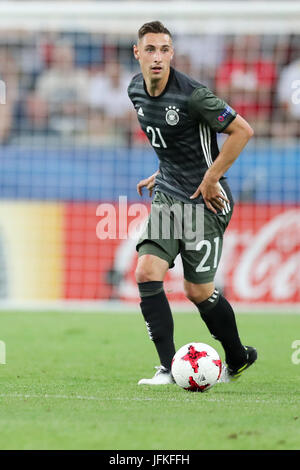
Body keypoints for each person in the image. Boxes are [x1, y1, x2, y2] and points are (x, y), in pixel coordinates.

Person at [127, 21, 257, 385]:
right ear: (137, 52)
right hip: (169, 194)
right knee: (146, 271)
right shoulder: (135, 90)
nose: (157, 57)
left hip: (205, 201)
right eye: (150, 49)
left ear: (172, 54)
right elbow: (172, 142)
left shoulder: (193, 95)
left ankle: (238, 357)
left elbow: (242, 130)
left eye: (164, 50)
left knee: (197, 291)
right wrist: (162, 170)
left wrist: (211, 177)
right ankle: (169, 367)